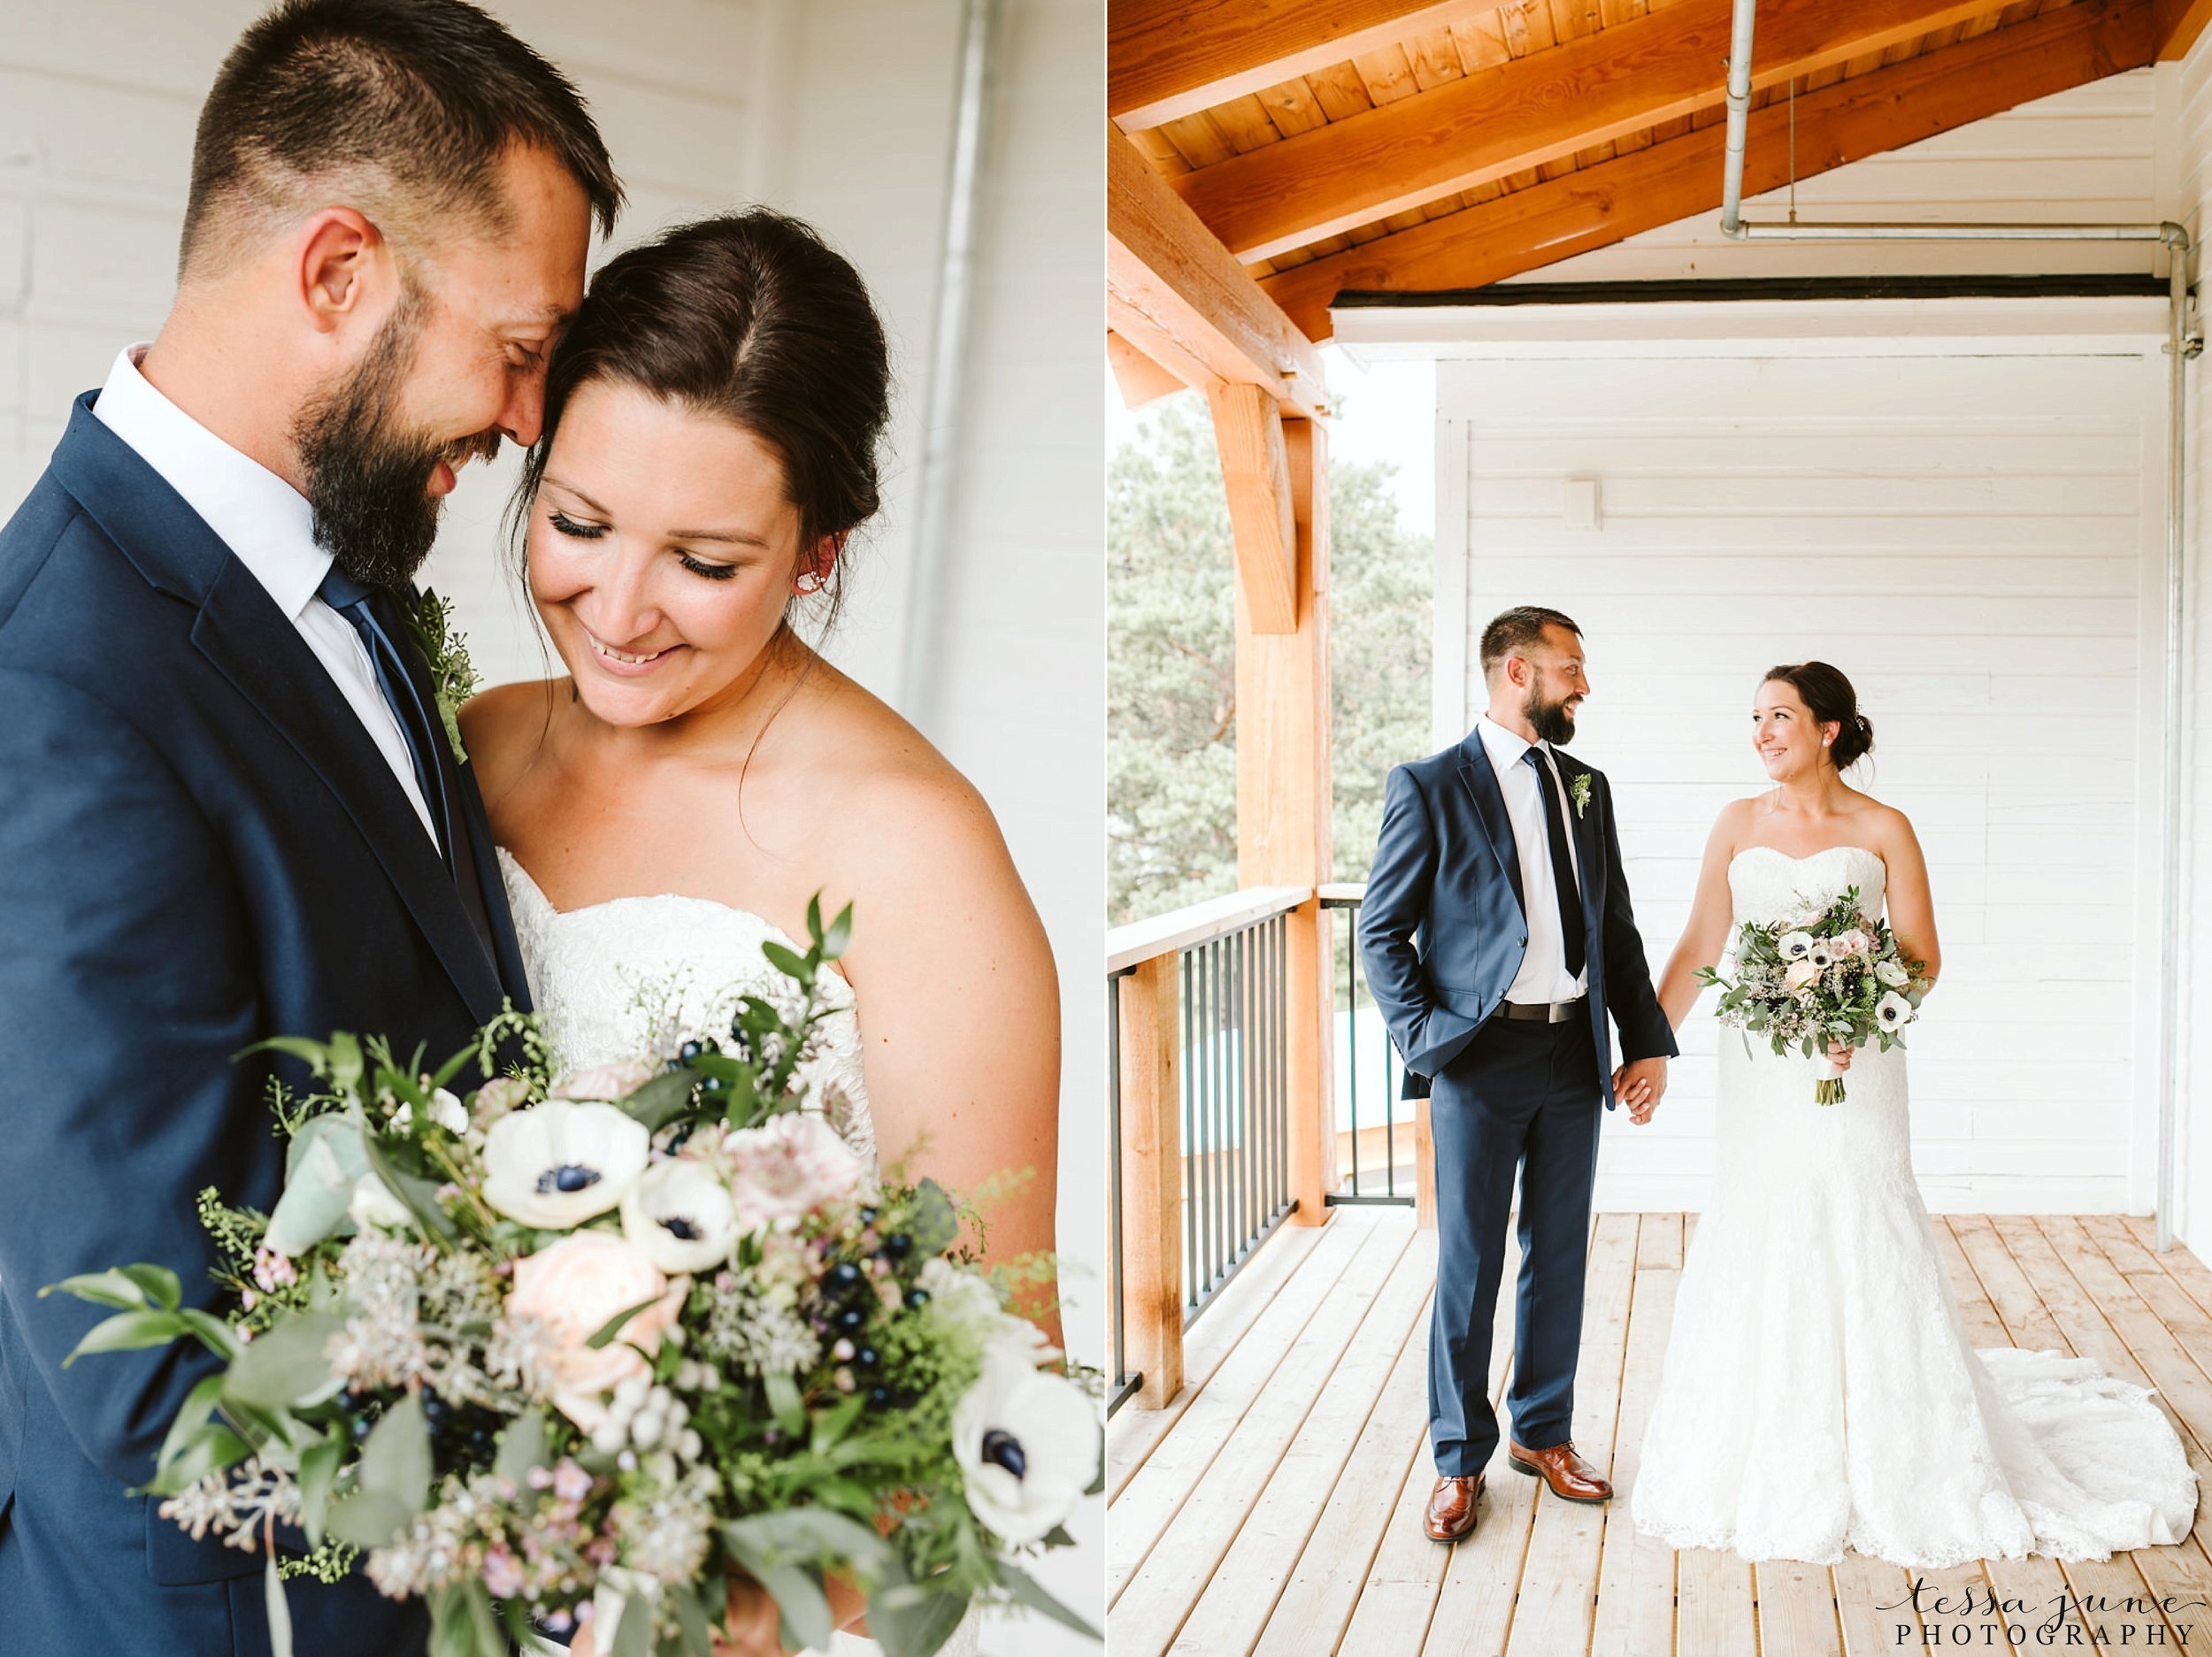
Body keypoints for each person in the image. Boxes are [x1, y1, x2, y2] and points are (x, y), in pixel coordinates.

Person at [0, 2, 620, 1653]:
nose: (532, 418)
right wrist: (604, 1464)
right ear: (338, 271)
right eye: (517, 344)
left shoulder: (336, 576)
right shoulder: (57, 685)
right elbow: (139, 1377)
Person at [461, 211, 1062, 1657]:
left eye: (705, 561)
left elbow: (988, 1360)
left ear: (816, 549)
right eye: (579, 523)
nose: (616, 608)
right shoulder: (472, 744)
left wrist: (712, 1608)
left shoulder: (915, 845)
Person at [1629, 662, 2196, 1564]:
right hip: (1763, 1072)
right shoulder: (1736, 824)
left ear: (1827, 728)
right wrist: (1651, 1047)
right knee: (1766, 1216)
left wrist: (1850, 1009)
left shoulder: (1883, 826)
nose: (1761, 732)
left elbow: (1923, 955)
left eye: (1779, 715)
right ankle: (1771, 1437)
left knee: (1860, 1210)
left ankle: (1901, 1445)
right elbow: (1701, 943)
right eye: (1754, 717)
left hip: (1858, 1064)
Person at [1357, 606, 1675, 1545]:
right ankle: (1459, 1459)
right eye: (1570, 668)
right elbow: (1380, 930)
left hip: (1572, 1051)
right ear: (1515, 670)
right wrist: (1427, 1036)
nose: (1583, 686)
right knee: (1470, 1261)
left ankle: (1542, 1433)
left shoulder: (1587, 786)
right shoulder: (1428, 785)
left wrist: (1643, 1038)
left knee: (1559, 1253)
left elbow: (1613, 926)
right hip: (1479, 1059)